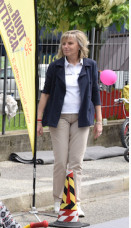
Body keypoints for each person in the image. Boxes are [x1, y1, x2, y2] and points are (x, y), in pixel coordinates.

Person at [36, 30, 102, 217]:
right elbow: (46, 94)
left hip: (81, 119)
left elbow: (96, 95)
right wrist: (39, 120)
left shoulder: (90, 66)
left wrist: (99, 121)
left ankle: (74, 202)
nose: (65, 47)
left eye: (70, 43)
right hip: (59, 118)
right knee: (61, 161)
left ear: (79, 46)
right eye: (64, 43)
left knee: (76, 163)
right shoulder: (55, 66)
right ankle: (58, 200)